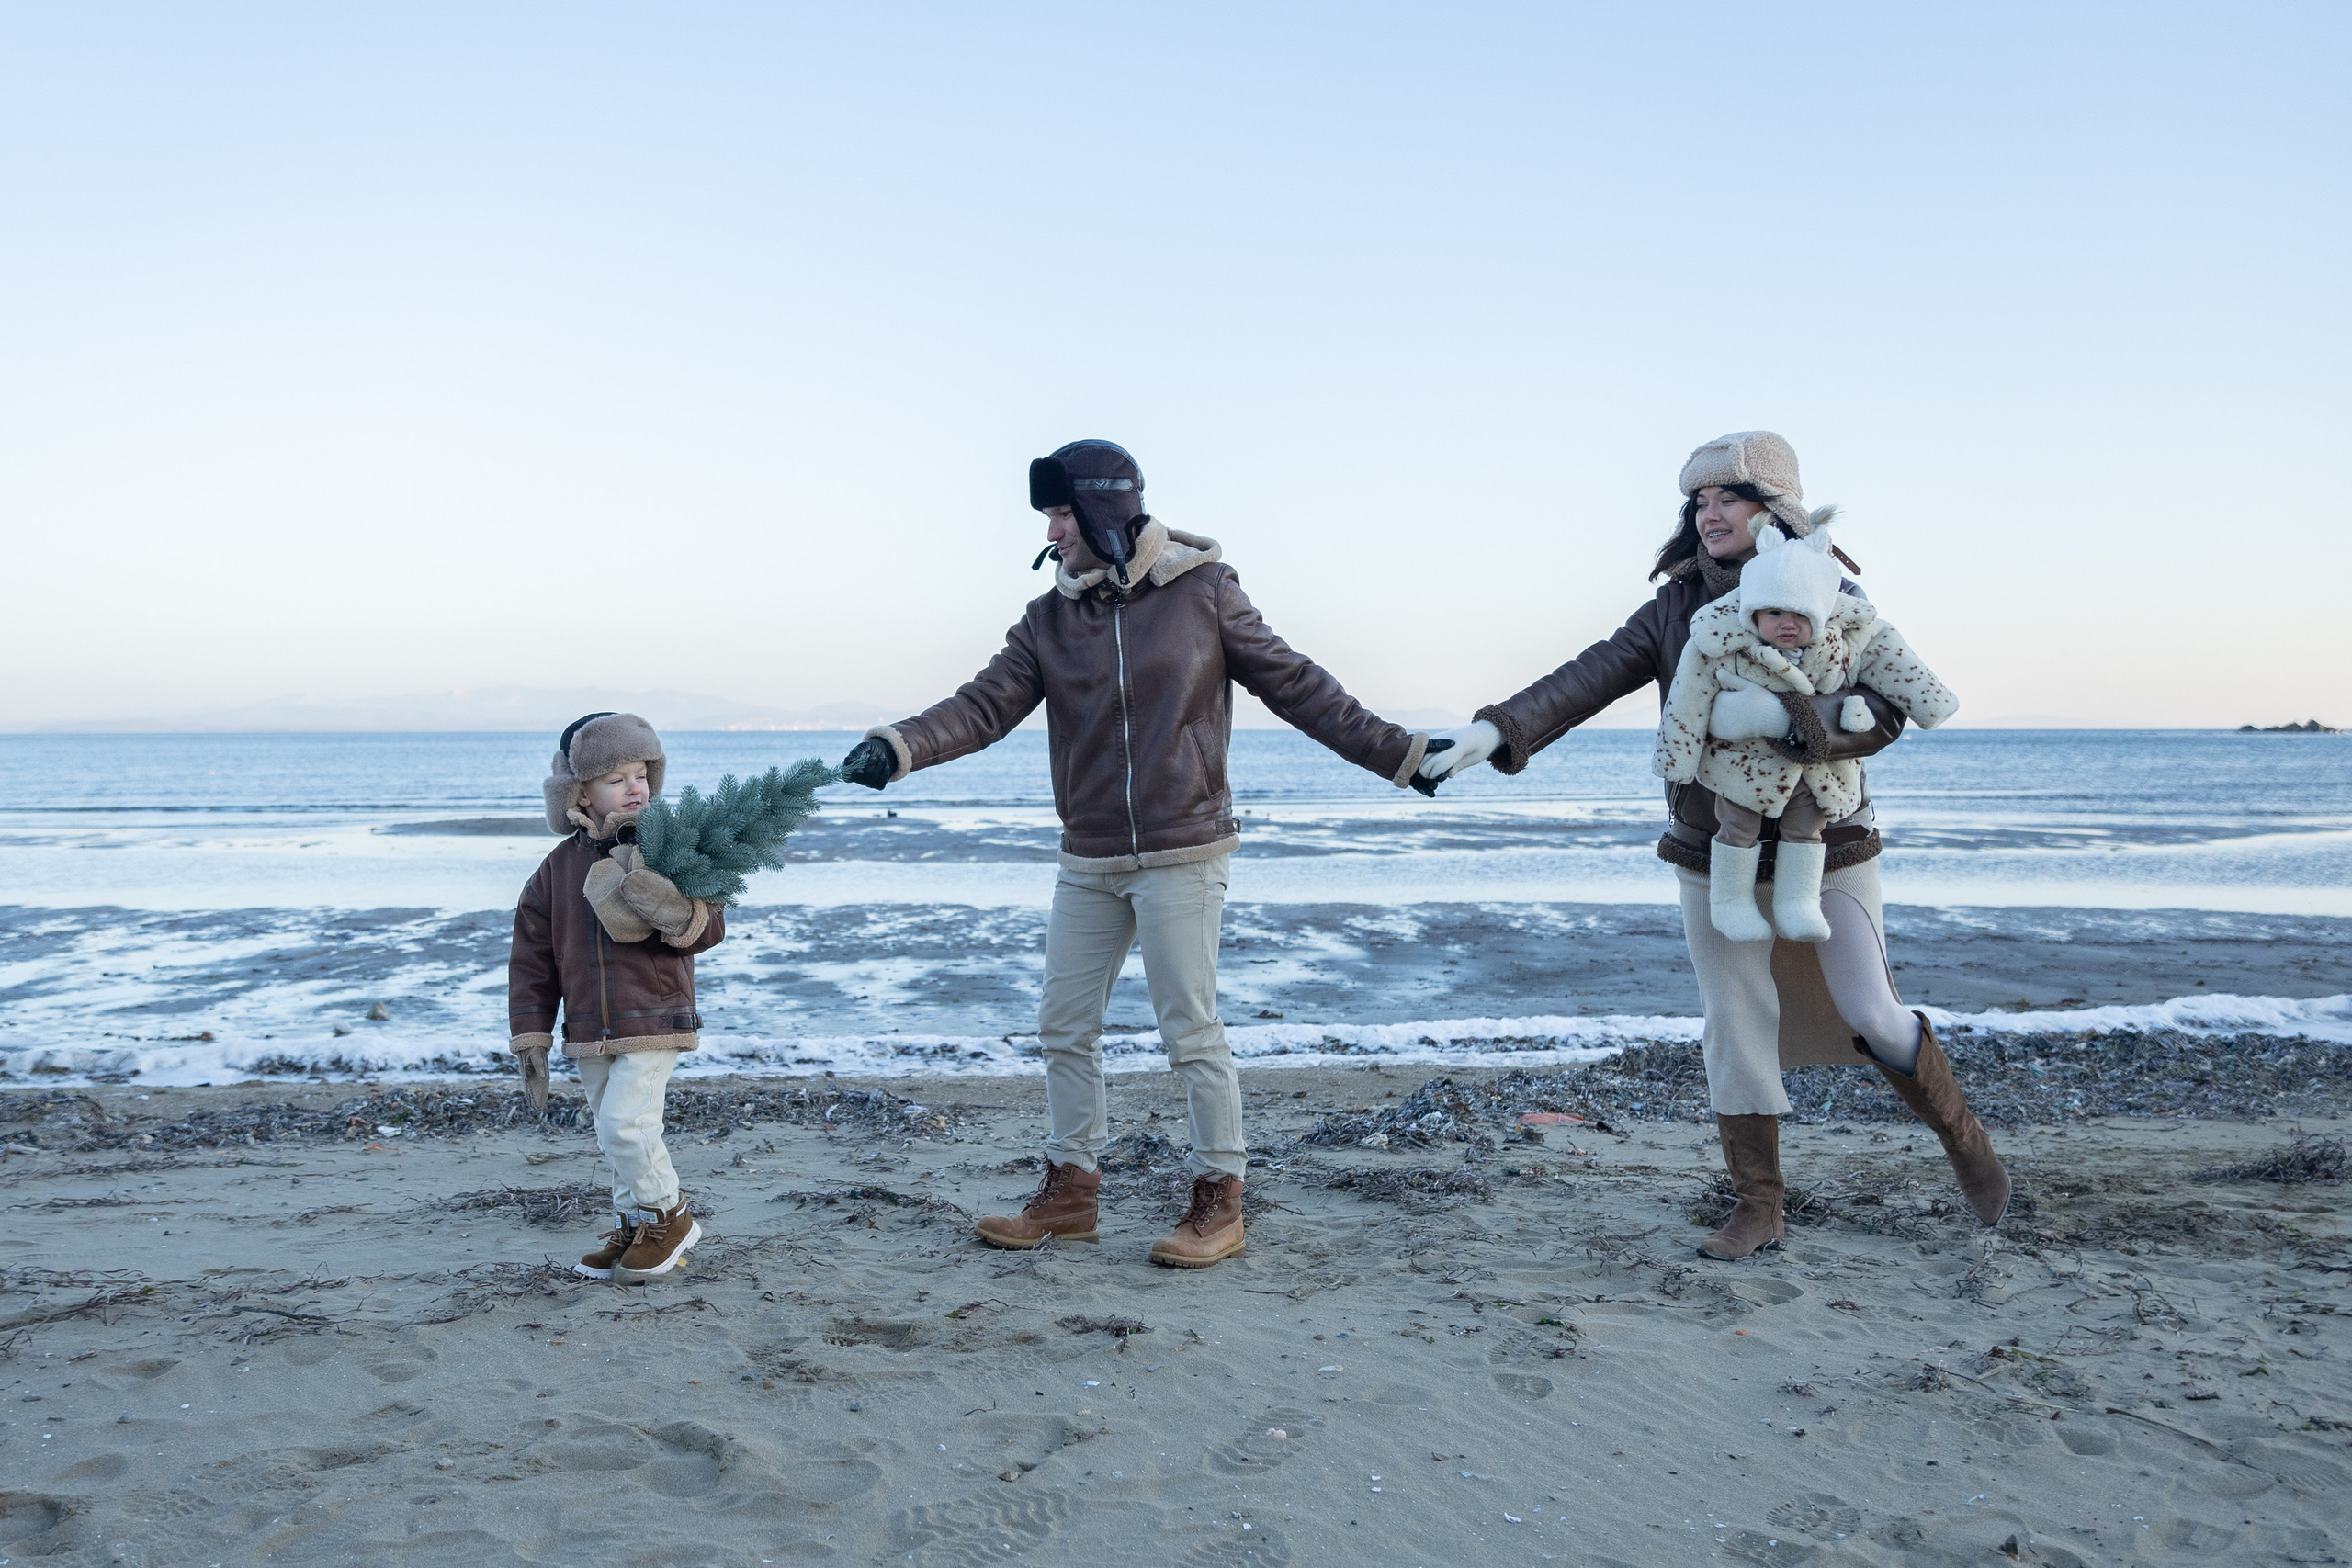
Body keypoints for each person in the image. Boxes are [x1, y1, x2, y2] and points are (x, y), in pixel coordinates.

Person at [1419, 431, 2007, 1260]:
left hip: (1829, 842)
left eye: (1727, 495)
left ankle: (1962, 1138)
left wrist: (1791, 724)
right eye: (1698, 499)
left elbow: (1886, 711)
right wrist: (1496, 731)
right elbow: (1589, 674)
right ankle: (1759, 1201)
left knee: (1870, 1008)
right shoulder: (1677, 609)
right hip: (1712, 847)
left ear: (1777, 509)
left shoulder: (1834, 596)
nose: (1708, 511)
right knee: (1734, 1023)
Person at [839, 440, 1428, 1268]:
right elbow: (981, 707)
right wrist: (897, 747)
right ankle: (1072, 1190)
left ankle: (1220, 1196)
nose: (1052, 529)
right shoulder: (1048, 620)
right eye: (1048, 515)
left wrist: (1398, 755)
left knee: (1189, 1029)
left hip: (1184, 848)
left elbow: (1298, 685)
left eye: (1061, 511)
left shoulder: (1205, 592)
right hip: (1088, 855)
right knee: (1063, 1024)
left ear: (1105, 509)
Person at [1653, 516, 1956, 945]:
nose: (1786, 623)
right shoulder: (1720, 638)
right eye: (1774, 613)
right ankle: (1730, 904)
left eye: (1799, 614)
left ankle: (1798, 902)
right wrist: (1675, 760)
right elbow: (1686, 699)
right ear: (1753, 613)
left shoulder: (1846, 635)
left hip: (1816, 770)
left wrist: (1933, 703)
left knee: (1806, 830)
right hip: (1742, 768)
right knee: (1736, 828)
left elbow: (1893, 658)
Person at [509, 712, 725, 1284]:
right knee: (613, 1128)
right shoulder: (557, 870)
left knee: (627, 1124)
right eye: (616, 778)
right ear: (580, 791)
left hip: (654, 1014)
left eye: (642, 774)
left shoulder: (668, 848)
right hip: (587, 1025)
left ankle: (669, 1217)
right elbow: (532, 956)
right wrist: (532, 1031)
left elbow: (708, 931)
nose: (635, 788)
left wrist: (675, 908)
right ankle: (633, 1225)